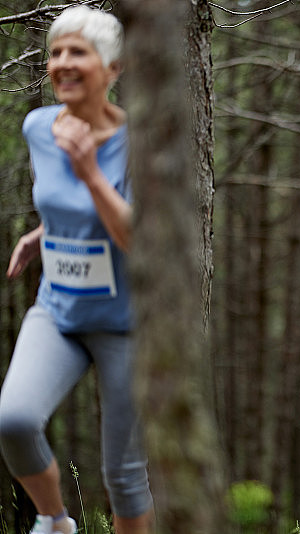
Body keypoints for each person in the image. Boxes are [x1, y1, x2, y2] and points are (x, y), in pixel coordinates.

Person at [0, 6, 153, 534]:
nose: (62, 62)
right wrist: (43, 232)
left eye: (78, 52)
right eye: (55, 52)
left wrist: (91, 173)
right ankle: (54, 521)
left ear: (112, 68)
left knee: (124, 476)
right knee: (14, 420)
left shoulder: (138, 143)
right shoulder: (38, 128)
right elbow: (59, 200)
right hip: (58, 311)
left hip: (125, 325)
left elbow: (140, 240)